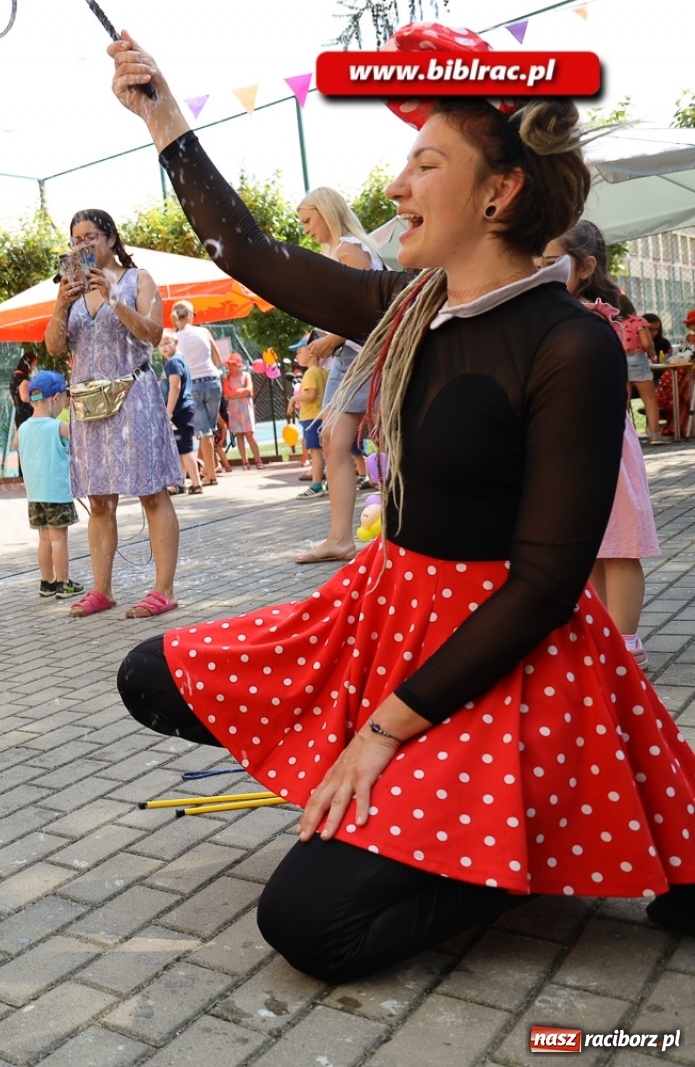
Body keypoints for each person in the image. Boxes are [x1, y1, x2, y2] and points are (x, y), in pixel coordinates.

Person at [106, 26, 695, 980]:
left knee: (308, 921)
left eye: (426, 163)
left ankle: (518, 852)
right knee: (149, 673)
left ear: (500, 192)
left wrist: (384, 729)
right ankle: (405, 796)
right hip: (385, 609)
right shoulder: (408, 302)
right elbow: (251, 254)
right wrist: (164, 117)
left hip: (508, 658)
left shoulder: (569, 346)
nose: (396, 187)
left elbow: (547, 587)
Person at [45, 209, 183, 620]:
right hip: (89, 405)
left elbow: (154, 334)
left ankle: (164, 589)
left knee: (151, 492)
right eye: (75, 240)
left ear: (109, 237)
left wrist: (113, 298)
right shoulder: (70, 291)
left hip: (132, 396)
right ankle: (101, 590)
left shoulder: (138, 280)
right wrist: (59, 304)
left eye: (90, 236)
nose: (82, 245)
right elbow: (54, 347)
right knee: (100, 499)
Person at [543, 222, 660, 669]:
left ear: (585, 266)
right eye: (539, 262)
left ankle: (626, 641)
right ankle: (603, 633)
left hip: (601, 444)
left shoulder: (593, 318)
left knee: (621, 546)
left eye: (553, 261)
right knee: (589, 546)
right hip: (569, 447)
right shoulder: (555, 313)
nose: (543, 270)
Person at [293, 187, 385, 562]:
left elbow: (367, 310)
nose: (306, 229)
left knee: (382, 439)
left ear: (327, 212)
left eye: (308, 220)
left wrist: (329, 340)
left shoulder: (349, 249)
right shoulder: (337, 251)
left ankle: (357, 536)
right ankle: (340, 537)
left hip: (364, 356)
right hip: (349, 357)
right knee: (332, 438)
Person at [16, 370, 83, 598]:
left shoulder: (23, 429)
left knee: (44, 539)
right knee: (58, 540)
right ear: (55, 399)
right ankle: (64, 583)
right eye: (64, 401)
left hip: (35, 496)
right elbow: (80, 438)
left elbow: (16, 444)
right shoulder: (58, 427)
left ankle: (47, 582)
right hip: (56, 494)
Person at [169, 301, 223, 486]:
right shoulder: (204, 332)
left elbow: (177, 366)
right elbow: (218, 359)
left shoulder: (175, 338)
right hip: (213, 381)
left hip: (194, 384)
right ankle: (210, 469)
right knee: (209, 429)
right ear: (191, 314)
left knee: (204, 432)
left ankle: (211, 474)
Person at [615, 303, 668, 445]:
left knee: (624, 399)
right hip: (637, 359)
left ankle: (624, 437)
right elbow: (646, 343)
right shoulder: (638, 321)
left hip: (619, 359)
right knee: (649, 399)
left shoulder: (613, 322)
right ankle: (655, 435)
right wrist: (651, 351)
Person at [159, 330, 200, 495]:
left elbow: (174, 387)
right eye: (161, 344)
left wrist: (168, 412)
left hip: (179, 410)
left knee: (185, 447)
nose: (164, 347)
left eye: (167, 343)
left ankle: (196, 484)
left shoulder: (174, 362)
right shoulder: (176, 360)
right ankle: (179, 483)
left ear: (175, 342)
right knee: (178, 447)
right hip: (181, 409)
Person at [286, 339, 329, 490]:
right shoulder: (324, 372)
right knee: (326, 453)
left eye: (299, 352)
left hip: (312, 418)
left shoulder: (310, 373)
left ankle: (316, 485)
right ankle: (330, 483)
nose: (297, 356)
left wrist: (294, 398)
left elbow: (311, 395)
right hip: (324, 417)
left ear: (311, 352)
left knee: (315, 453)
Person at [220, 354, 263, 469]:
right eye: (229, 364)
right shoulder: (226, 379)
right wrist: (240, 392)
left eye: (233, 364)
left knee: (249, 434)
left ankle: (258, 461)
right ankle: (245, 462)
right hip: (234, 409)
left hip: (245, 408)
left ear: (238, 365)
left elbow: (249, 390)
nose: (230, 367)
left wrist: (236, 393)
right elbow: (227, 393)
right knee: (239, 435)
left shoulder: (246, 375)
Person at [8, 352, 38, 430]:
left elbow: (12, 400)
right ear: (28, 364)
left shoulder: (14, 377)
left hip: (19, 416)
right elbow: (26, 398)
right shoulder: (23, 380)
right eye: (33, 365)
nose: (34, 368)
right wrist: (41, 396)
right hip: (26, 417)